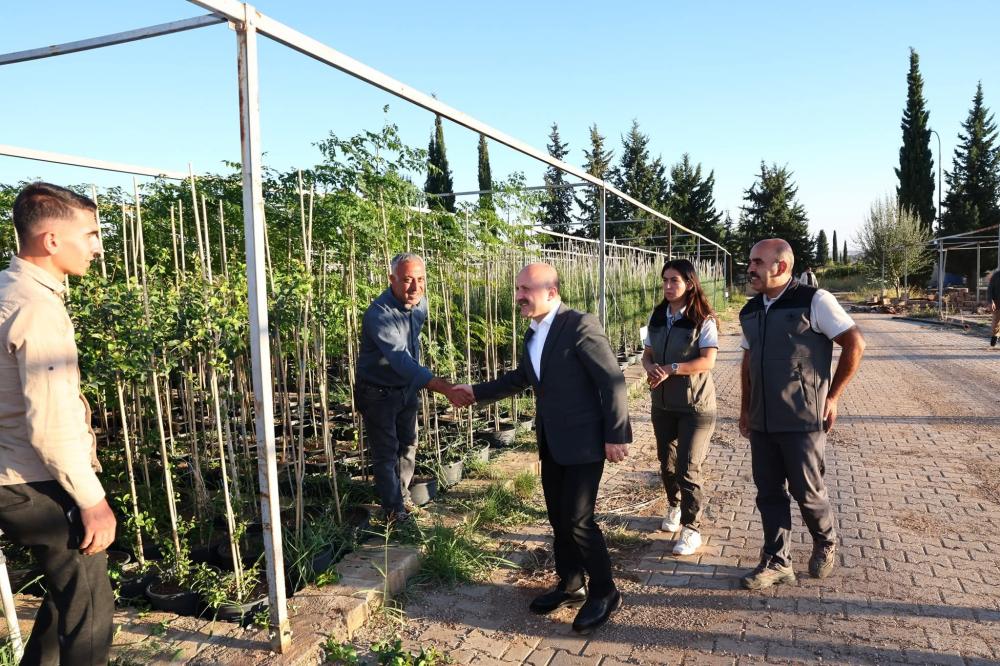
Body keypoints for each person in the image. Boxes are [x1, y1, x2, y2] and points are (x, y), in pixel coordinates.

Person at [450, 263, 631, 634]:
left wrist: (617, 434)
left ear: (551, 291)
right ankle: (570, 583)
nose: (518, 296)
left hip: (585, 442)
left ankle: (605, 591)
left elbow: (612, 380)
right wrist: (476, 393)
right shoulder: (533, 333)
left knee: (580, 520)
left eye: (525, 289)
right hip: (552, 442)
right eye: (517, 288)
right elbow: (522, 378)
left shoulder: (580, 324)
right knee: (558, 518)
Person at [0, 182, 115, 664]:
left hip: (8, 470)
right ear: (51, 240)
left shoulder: (7, 289)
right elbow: (51, 422)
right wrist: (91, 500)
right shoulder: (38, 308)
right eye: (89, 234)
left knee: (65, 591)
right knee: (90, 606)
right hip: (32, 478)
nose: (96, 246)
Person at [738, 239, 865, 590]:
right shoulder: (750, 311)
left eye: (757, 261)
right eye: (750, 261)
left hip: (802, 418)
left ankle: (825, 540)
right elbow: (747, 362)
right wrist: (746, 409)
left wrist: (834, 395)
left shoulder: (814, 301)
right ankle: (778, 561)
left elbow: (855, 343)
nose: (750, 268)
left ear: (780, 266)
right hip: (763, 419)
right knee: (768, 492)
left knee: (806, 490)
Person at [356, 252, 466, 522]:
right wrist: (444, 387)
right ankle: (394, 512)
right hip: (378, 393)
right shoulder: (379, 315)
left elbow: (411, 347)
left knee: (408, 445)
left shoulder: (420, 305)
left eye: (420, 280)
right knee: (386, 453)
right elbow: (401, 360)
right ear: (391, 279)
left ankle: (402, 498)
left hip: (406, 390)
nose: (415, 288)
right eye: (407, 280)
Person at [641, 259, 718, 557]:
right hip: (662, 404)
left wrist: (671, 368)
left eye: (675, 280)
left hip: (695, 406)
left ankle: (692, 528)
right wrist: (650, 368)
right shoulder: (658, 315)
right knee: (667, 463)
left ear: (690, 283)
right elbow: (647, 354)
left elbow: (707, 361)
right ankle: (674, 507)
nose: (669, 286)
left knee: (688, 468)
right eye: (665, 281)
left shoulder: (703, 318)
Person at [988, 268, 1000, 348]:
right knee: (996, 321)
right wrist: (990, 301)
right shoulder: (996, 275)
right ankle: (994, 337)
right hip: (997, 302)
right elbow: (990, 289)